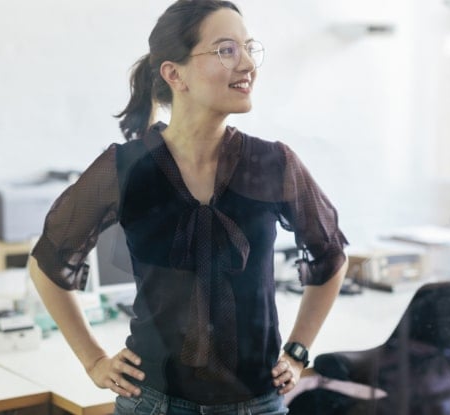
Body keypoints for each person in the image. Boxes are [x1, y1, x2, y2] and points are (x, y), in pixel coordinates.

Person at [28, 1, 349, 414]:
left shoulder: (274, 164)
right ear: (174, 74)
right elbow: (47, 264)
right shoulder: (125, 168)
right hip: (153, 404)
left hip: (259, 404)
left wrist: (298, 350)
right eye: (226, 50)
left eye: (249, 48)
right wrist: (93, 359)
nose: (248, 63)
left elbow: (331, 255)